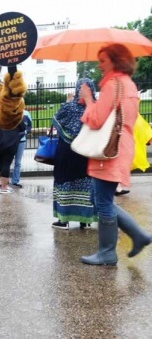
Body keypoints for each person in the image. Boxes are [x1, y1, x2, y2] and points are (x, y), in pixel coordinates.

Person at [78, 43, 152, 265]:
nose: (99, 65)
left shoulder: (113, 84)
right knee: (100, 198)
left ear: (116, 60)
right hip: (120, 146)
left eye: (103, 61)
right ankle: (138, 236)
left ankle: (108, 252)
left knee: (102, 202)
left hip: (110, 148)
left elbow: (97, 119)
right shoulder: (128, 84)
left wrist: (90, 100)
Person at [50, 79, 97, 230]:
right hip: (87, 152)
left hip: (67, 152)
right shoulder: (96, 108)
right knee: (86, 184)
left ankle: (63, 220)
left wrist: (68, 102)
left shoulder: (68, 107)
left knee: (65, 182)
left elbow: (56, 121)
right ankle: (85, 220)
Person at [0, 119, 26, 194]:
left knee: (1, 162)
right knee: (6, 163)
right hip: (10, 141)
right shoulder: (14, 114)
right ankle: (4, 188)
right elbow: (23, 127)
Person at [10, 110, 32, 188]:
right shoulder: (10, 112)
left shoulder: (26, 114)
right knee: (7, 161)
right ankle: (5, 180)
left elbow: (30, 126)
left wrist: (25, 132)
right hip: (11, 141)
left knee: (18, 162)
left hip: (21, 141)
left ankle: (15, 181)